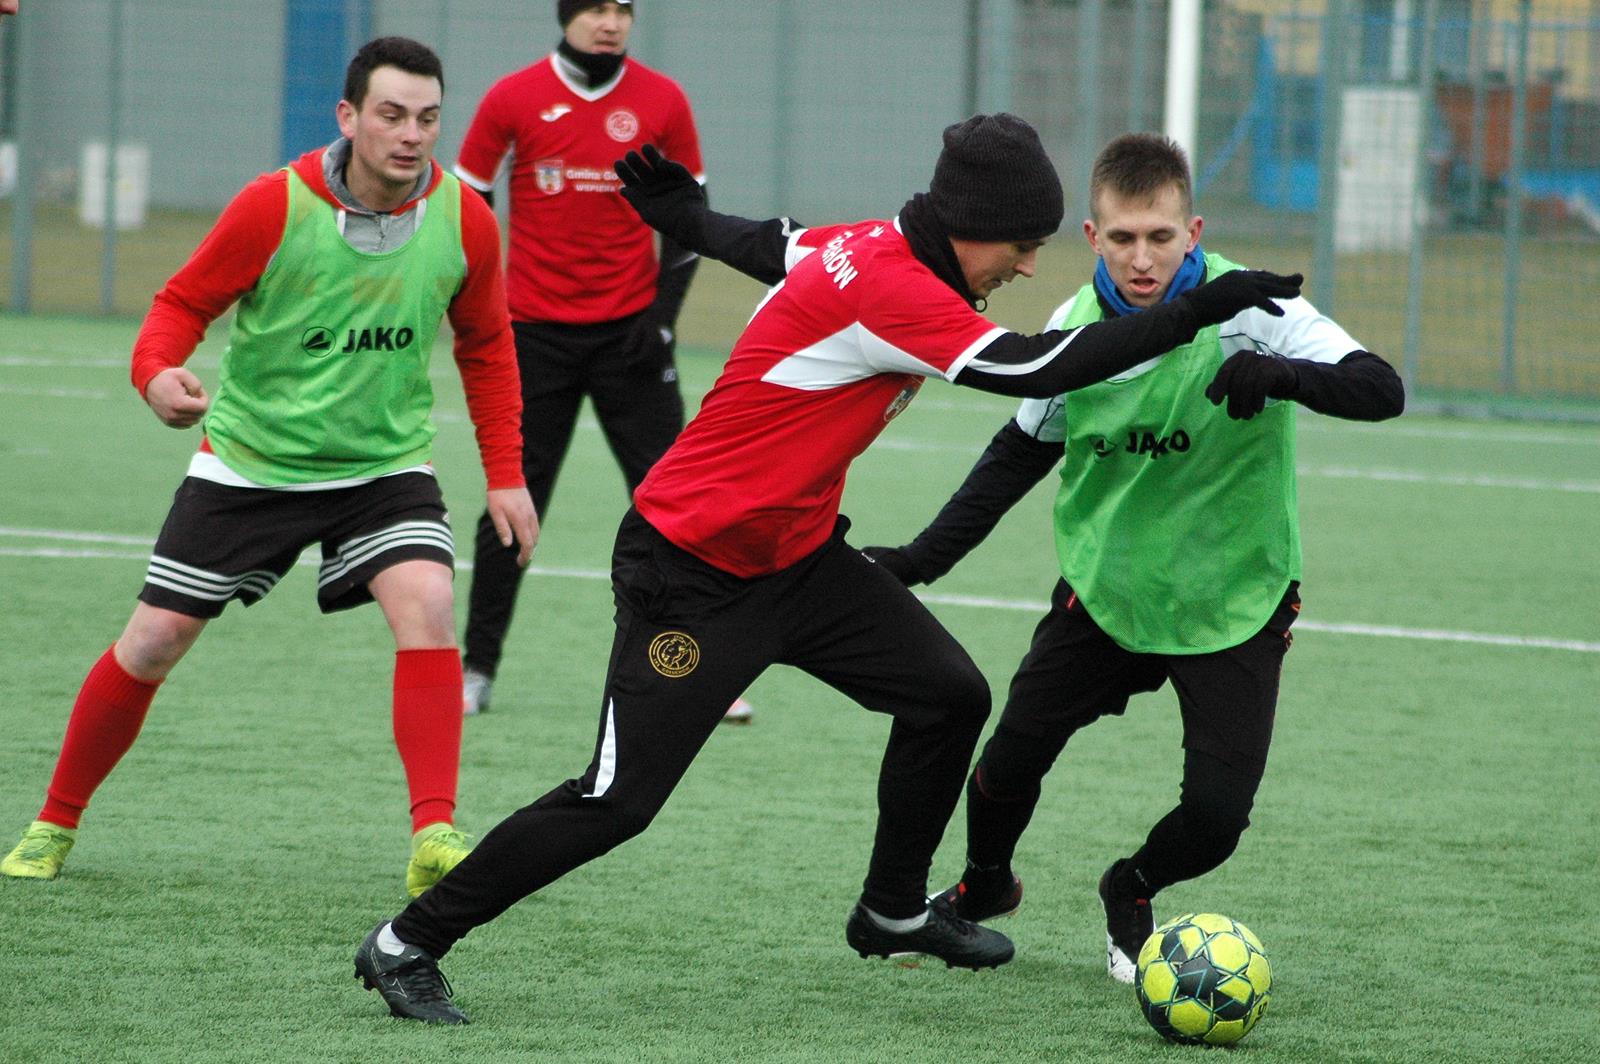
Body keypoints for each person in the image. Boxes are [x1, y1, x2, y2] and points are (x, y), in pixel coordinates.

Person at [351, 113, 1306, 1024]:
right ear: (972, 231)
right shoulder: (895, 288)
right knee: (617, 801)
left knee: (947, 695)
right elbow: (1034, 369)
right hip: (690, 569)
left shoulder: (874, 244)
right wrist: (1199, 308)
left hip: (799, 557)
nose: (1027, 265)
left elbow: (773, 244)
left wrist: (680, 217)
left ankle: (893, 907)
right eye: (1021, 245)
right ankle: (406, 941)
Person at [0, 37, 539, 898]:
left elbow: (488, 346)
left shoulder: (466, 219)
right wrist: (156, 374)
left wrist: (505, 473)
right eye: (392, 115)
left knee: (430, 604)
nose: (411, 135)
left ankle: (434, 831)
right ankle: (53, 820)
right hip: (252, 465)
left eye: (428, 118)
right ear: (349, 117)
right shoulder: (273, 205)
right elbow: (182, 302)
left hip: (382, 468)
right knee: (153, 641)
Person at [860, 132, 1405, 983]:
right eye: (1122, 239)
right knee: (1004, 765)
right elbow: (1016, 456)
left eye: (1160, 237)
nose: (1141, 259)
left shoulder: (1250, 309)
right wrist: (922, 559)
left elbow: (1382, 389)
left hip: (1234, 599)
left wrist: (1284, 376)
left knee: (1218, 817)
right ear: (1091, 237)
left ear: (1194, 231)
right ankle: (983, 886)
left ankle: (1133, 884)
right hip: (1107, 593)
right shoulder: (1074, 328)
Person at [451, 0, 747, 721]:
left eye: (621, 8)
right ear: (565, 15)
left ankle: (715, 672)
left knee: (680, 507)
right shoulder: (512, 97)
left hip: (632, 341)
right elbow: (464, 206)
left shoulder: (662, 100)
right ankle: (477, 669)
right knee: (512, 505)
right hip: (533, 339)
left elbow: (691, 216)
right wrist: (485, 310)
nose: (608, 21)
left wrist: (661, 319)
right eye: (593, 7)